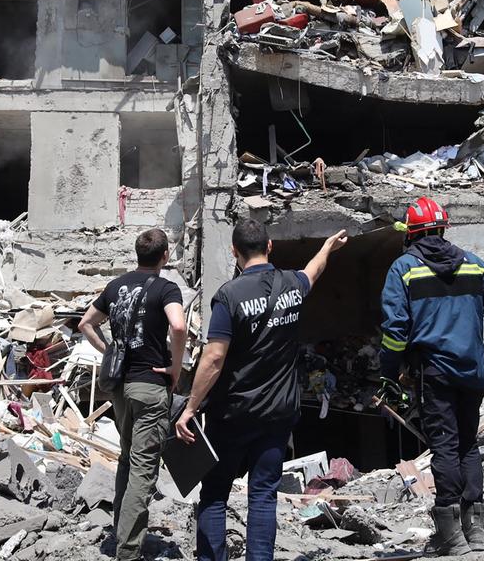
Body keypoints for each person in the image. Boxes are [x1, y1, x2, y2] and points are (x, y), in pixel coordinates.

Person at [175, 219, 348, 561]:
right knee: (263, 494)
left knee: (215, 492)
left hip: (233, 414)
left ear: (234, 252)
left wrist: (191, 407)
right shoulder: (290, 284)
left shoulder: (228, 296)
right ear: (270, 246)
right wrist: (327, 248)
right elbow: (312, 272)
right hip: (278, 414)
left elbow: (213, 358)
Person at [378, 197, 484, 557]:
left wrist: (388, 372)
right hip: (471, 373)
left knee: (445, 449)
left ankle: (452, 537)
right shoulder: (475, 266)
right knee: (468, 445)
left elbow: (394, 331)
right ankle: (476, 531)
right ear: (441, 229)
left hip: (433, 375)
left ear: (411, 233)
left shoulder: (403, 269)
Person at [78, 228, 187, 561]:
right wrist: (176, 368)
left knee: (127, 458)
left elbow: (85, 323)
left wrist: (110, 349)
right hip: (151, 387)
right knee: (143, 468)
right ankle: (127, 551)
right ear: (164, 256)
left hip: (121, 388)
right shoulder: (167, 288)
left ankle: (119, 531)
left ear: (137, 254)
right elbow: (179, 326)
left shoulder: (115, 286)